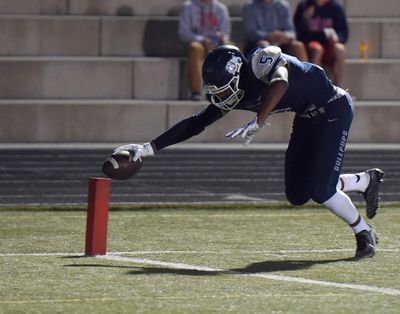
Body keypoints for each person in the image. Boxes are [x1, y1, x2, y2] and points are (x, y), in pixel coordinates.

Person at [112, 44, 384, 259]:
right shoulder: (234, 90)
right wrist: (149, 147)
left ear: (236, 72)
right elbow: (197, 123)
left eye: (223, 89)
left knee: (322, 190)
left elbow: (281, 81)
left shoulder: (260, 60)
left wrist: (258, 120)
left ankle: (364, 233)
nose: (220, 97)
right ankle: (364, 181)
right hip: (307, 116)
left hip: (334, 108)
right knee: (298, 194)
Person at [178, 0, 232, 101]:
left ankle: (227, 91)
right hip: (198, 43)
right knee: (195, 48)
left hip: (216, 43)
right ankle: (195, 91)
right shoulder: (189, 7)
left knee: (230, 47)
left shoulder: (220, 8)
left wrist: (219, 39)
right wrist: (203, 40)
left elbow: (226, 33)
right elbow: (184, 33)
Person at [294, 0, 348, 86]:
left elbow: (343, 33)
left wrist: (336, 38)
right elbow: (299, 34)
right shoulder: (304, 6)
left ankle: (338, 88)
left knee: (340, 49)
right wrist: (304, 19)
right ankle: (316, 86)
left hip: (329, 45)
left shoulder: (335, 7)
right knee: (317, 49)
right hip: (310, 44)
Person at [242, 0, 308, 61]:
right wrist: (269, 36)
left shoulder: (283, 5)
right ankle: (266, 73)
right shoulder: (250, 6)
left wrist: (285, 36)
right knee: (265, 46)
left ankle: (306, 73)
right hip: (257, 43)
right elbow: (251, 32)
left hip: (282, 43)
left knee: (298, 46)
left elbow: (291, 32)